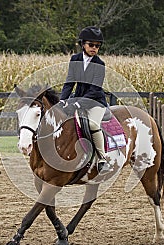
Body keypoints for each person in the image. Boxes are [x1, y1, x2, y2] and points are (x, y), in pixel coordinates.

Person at [60, 26, 110, 174]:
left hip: (95, 102)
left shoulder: (99, 64)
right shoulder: (75, 59)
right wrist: (63, 100)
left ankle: (102, 158)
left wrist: (76, 103)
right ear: (83, 44)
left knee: (92, 125)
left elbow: (95, 90)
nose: (94, 48)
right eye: (91, 45)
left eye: (97, 46)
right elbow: (70, 82)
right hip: (77, 98)